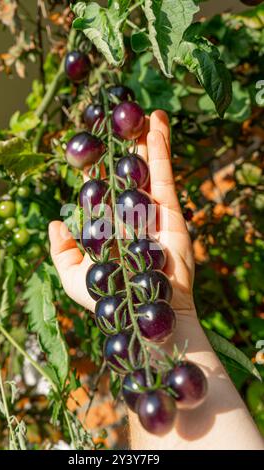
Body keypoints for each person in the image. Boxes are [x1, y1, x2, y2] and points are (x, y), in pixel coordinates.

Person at [48, 110, 264, 450]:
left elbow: (131, 324)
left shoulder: (125, 318)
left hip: (134, 306)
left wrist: (142, 326)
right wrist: (163, 328)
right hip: (138, 305)